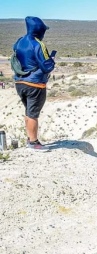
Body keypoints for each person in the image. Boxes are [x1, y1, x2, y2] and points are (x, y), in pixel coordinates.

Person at [12, 16, 55, 152]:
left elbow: (17, 54)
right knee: (33, 114)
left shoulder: (20, 41)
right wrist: (52, 59)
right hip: (35, 84)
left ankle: (29, 138)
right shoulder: (38, 44)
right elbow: (47, 67)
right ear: (40, 30)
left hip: (20, 82)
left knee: (28, 112)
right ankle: (33, 142)